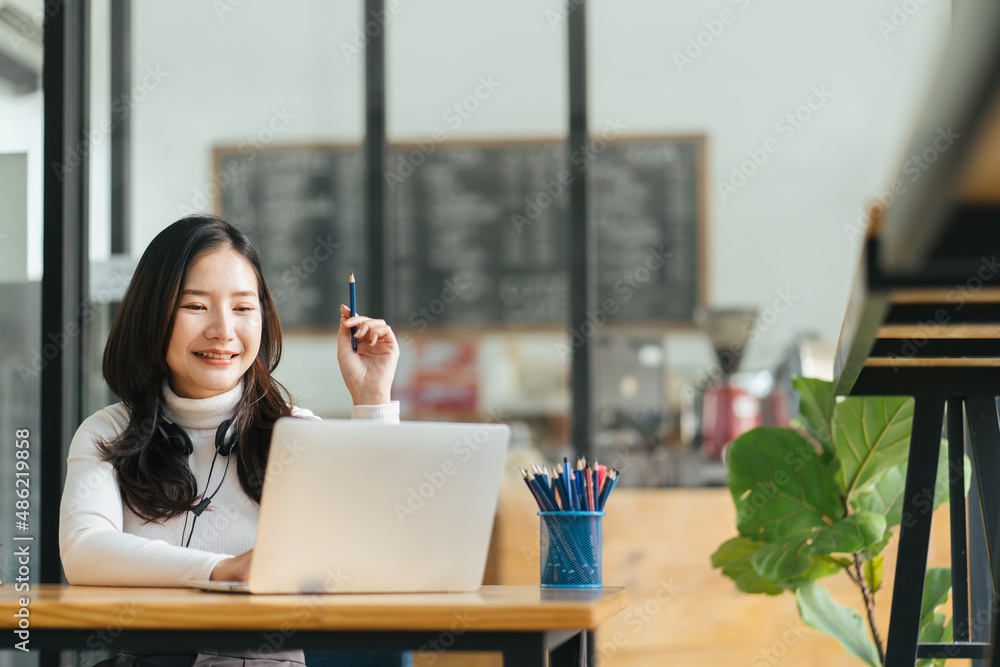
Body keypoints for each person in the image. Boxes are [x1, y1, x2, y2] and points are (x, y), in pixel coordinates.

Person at [58, 215, 410, 667]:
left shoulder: (298, 433)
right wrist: (219, 570)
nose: (223, 330)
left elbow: (384, 551)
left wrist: (373, 398)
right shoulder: (109, 432)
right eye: (195, 306)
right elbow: (86, 552)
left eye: (243, 308)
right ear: (153, 314)